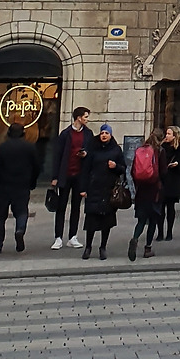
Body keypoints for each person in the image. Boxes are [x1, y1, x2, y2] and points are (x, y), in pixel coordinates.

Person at [0, 119, 40, 253]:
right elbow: (37, 167)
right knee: (21, 212)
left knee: (0, 217)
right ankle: (20, 230)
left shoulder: (2, 148)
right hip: (22, 185)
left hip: (4, 185)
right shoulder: (30, 147)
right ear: (23, 134)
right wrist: (32, 182)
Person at [80, 123, 126, 260]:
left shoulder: (116, 150)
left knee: (106, 221)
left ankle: (103, 247)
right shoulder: (92, 148)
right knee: (91, 221)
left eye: (106, 133)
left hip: (109, 190)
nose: (104, 135)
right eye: (102, 133)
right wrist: (83, 188)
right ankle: (88, 247)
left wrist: (115, 166)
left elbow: (123, 168)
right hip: (94, 188)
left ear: (111, 135)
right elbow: (85, 169)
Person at [51, 105, 92, 249]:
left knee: (76, 206)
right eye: (85, 117)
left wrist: (85, 153)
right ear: (78, 118)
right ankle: (58, 237)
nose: (87, 119)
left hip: (79, 175)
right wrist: (55, 176)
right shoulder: (65, 134)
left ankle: (73, 236)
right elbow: (57, 155)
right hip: (66, 173)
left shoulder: (88, 134)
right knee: (61, 206)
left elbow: (91, 150)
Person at [128, 127, 166, 261]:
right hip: (154, 190)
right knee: (153, 221)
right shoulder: (160, 151)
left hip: (141, 191)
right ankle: (148, 248)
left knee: (141, 220)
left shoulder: (140, 149)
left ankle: (135, 238)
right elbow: (163, 172)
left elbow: (133, 171)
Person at [158, 126, 180, 241]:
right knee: (160, 208)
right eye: (167, 133)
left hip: (173, 180)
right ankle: (160, 232)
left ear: (175, 136)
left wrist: (177, 164)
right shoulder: (161, 147)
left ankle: (169, 232)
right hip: (162, 179)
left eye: (169, 134)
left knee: (170, 207)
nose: (167, 136)